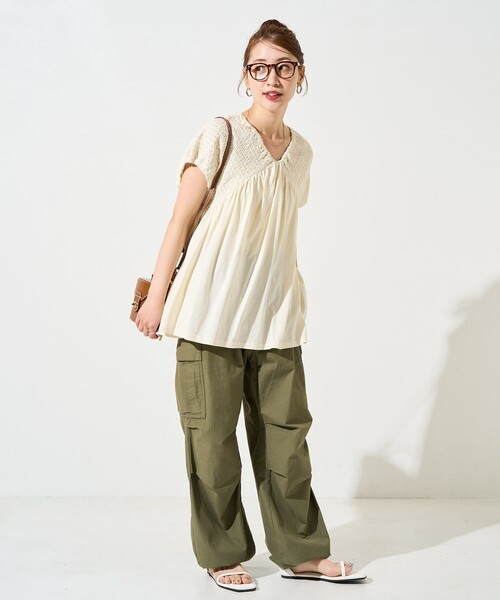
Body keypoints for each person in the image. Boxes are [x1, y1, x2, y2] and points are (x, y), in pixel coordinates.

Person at [134, 19, 366, 593]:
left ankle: (301, 552)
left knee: (288, 441)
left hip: (277, 315)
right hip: (208, 316)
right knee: (212, 444)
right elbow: (180, 220)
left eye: (284, 66)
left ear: (300, 75)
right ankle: (222, 554)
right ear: (245, 76)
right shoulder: (221, 135)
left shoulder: (302, 152)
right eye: (260, 67)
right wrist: (156, 297)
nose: (272, 78)